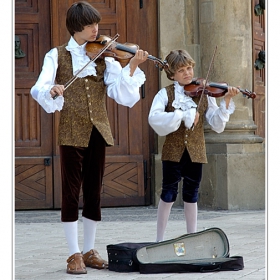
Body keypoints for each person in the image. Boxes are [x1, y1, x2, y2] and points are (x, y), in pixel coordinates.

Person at [30, 1, 148, 274]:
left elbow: (123, 95)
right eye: (90, 25)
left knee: (94, 192)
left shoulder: (106, 56)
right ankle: (73, 254)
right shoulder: (57, 55)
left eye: (97, 24)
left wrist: (131, 66)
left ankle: (89, 250)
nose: (97, 29)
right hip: (71, 130)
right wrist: (52, 89)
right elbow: (39, 87)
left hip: (98, 130)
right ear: (76, 27)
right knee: (71, 192)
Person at [148, 49, 240, 242]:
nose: (188, 73)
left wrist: (227, 100)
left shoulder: (205, 94)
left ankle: (192, 238)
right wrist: (180, 116)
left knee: (192, 194)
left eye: (189, 68)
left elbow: (216, 124)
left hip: (196, 152)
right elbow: (154, 118)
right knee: (168, 193)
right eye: (181, 70)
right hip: (173, 152)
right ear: (172, 74)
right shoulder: (166, 93)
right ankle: (159, 239)